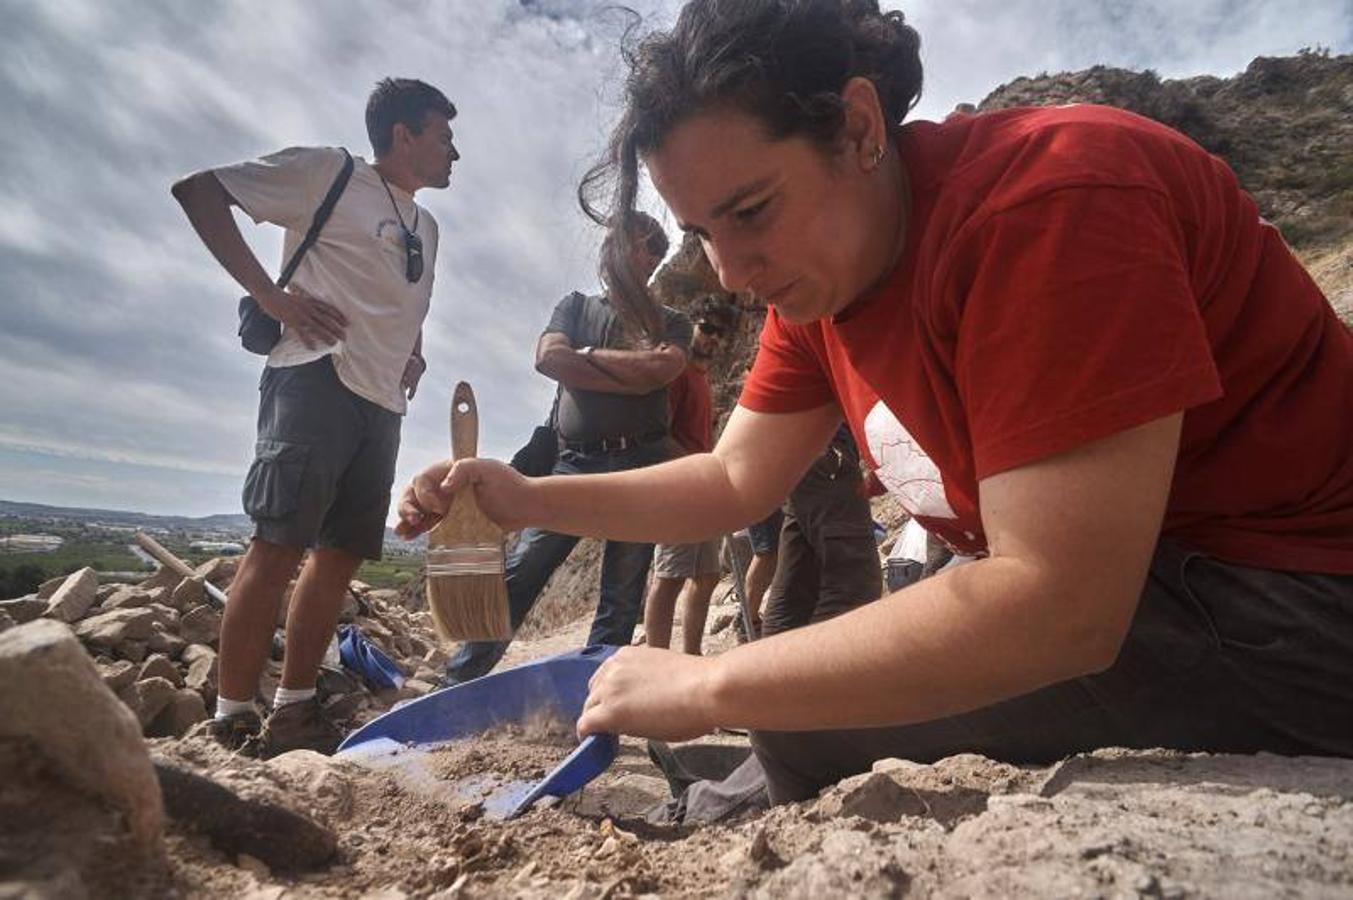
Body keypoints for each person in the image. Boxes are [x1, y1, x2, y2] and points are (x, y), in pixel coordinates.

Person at [400, 0, 1353, 805]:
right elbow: (733, 478)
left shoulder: (1051, 203)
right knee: (821, 691)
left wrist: (713, 683)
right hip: (1168, 580)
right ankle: (745, 775)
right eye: (699, 231)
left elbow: (1057, 603)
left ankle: (742, 776)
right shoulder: (824, 284)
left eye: (751, 211)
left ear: (859, 129)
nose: (729, 271)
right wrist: (523, 498)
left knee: (818, 705)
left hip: (1298, 600)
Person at [172, 77, 459, 756]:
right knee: (276, 549)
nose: (454, 153)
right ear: (404, 135)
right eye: (444, 137)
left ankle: (293, 713)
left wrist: (413, 354)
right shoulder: (327, 172)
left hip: (381, 403)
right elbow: (200, 191)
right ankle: (231, 719)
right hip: (315, 381)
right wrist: (270, 296)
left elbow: (404, 300)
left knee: (338, 559)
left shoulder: (428, 225)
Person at [442, 212, 693, 684]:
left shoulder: (673, 322)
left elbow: (661, 373)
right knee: (522, 573)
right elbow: (548, 359)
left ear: (654, 261)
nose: (621, 251)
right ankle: (456, 686)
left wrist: (585, 359)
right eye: (621, 242)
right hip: (574, 463)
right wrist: (630, 370)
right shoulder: (575, 306)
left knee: (622, 597)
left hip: (641, 466)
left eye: (641, 247)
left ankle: (595, 703)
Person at [643, 298, 736, 654]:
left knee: (707, 574)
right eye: (707, 327)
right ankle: (655, 658)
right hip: (678, 486)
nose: (713, 338)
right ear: (691, 325)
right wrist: (696, 470)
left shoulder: (701, 376)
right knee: (669, 577)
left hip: (702, 488)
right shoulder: (678, 372)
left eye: (720, 333)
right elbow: (657, 434)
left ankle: (692, 654)